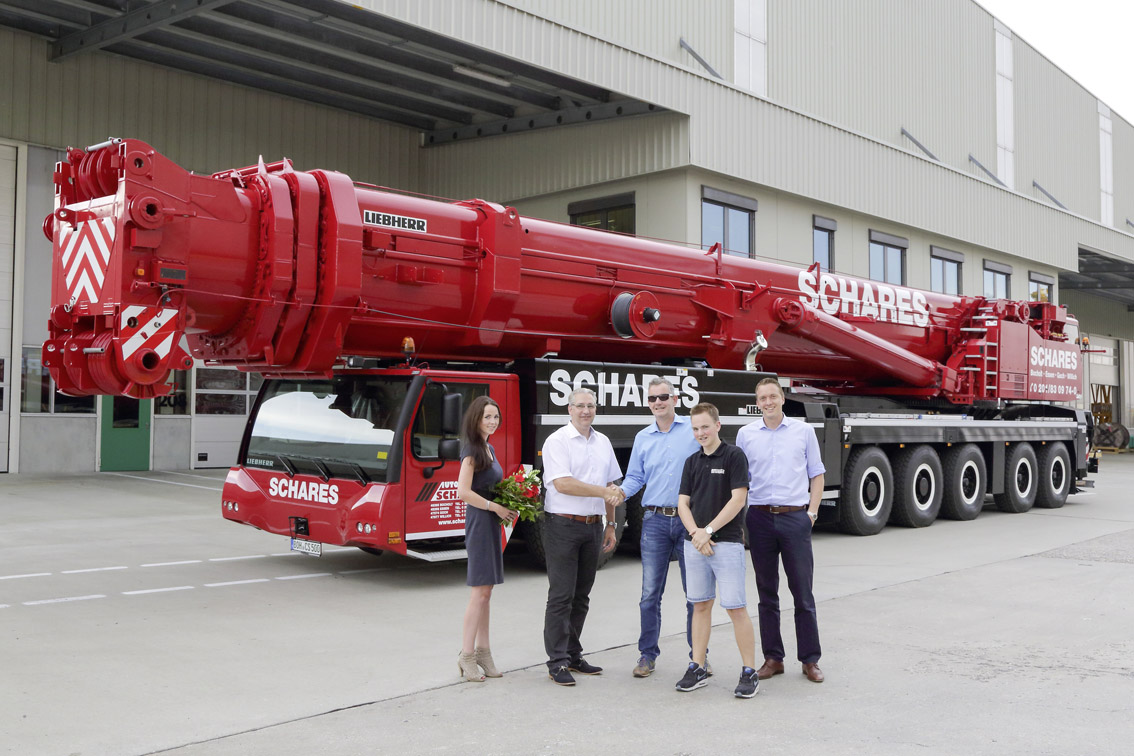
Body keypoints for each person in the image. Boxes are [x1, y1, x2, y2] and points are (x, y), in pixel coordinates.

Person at [736, 377, 827, 684]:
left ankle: (810, 660)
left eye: (773, 396)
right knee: (766, 592)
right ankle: (773, 658)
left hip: (795, 517)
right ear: (757, 403)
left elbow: (817, 474)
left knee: (802, 592)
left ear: (782, 398)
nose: (768, 402)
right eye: (763, 398)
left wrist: (811, 513)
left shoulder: (803, 431)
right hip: (759, 518)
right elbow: (740, 480)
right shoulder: (746, 435)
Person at [617, 378, 703, 679]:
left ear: (675, 399)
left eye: (663, 397)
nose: (658, 402)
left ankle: (699, 657)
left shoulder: (693, 430)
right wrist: (618, 493)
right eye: (653, 398)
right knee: (650, 594)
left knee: (695, 593)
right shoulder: (643, 437)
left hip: (689, 521)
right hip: (654, 521)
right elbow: (635, 477)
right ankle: (647, 655)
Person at [673, 403, 759, 698]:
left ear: (718, 425)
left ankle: (749, 671)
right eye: (696, 428)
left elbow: (738, 500)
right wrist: (696, 534)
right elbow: (683, 503)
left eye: (705, 427)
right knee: (699, 605)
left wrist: (707, 531)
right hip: (695, 545)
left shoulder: (734, 456)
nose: (701, 433)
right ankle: (697, 667)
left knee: (735, 608)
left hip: (727, 544)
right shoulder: (691, 461)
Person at [540, 388, 623, 686]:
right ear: (569, 409)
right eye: (580, 406)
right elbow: (563, 484)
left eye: (591, 406)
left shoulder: (603, 442)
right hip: (563, 526)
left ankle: (573, 655)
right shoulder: (557, 441)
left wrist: (611, 524)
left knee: (581, 596)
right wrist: (602, 492)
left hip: (593, 527)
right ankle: (556, 662)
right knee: (561, 596)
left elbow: (611, 485)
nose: (586, 411)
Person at [455, 396, 518, 683]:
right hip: (480, 522)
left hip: (490, 522)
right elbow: (463, 492)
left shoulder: (488, 448)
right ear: (476, 419)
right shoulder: (472, 450)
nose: (493, 421)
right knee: (479, 592)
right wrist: (495, 508)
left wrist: (511, 501)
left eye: (495, 417)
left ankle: (484, 652)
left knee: (487, 592)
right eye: (487, 417)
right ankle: (467, 655)